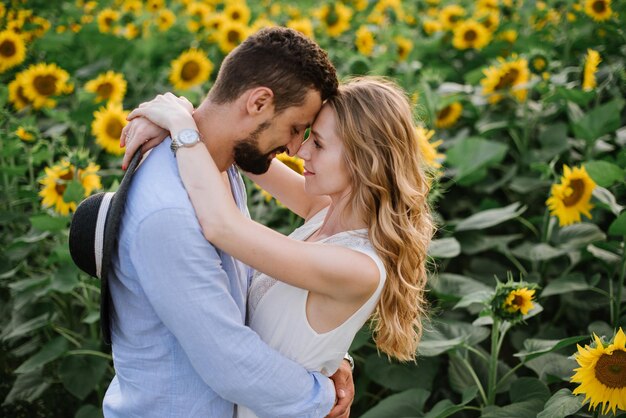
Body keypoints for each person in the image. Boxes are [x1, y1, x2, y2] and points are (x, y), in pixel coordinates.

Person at [123, 76, 434, 418]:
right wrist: (178, 112)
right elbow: (239, 146)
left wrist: (180, 125)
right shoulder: (323, 212)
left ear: (364, 159)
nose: (301, 151)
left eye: (317, 142)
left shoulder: (358, 267)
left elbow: (222, 226)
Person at [106, 27, 355, 418]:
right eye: (294, 128)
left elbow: (239, 297)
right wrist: (322, 396)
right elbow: (229, 362)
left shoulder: (214, 168)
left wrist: (323, 355)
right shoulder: (171, 211)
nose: (294, 148)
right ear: (258, 102)